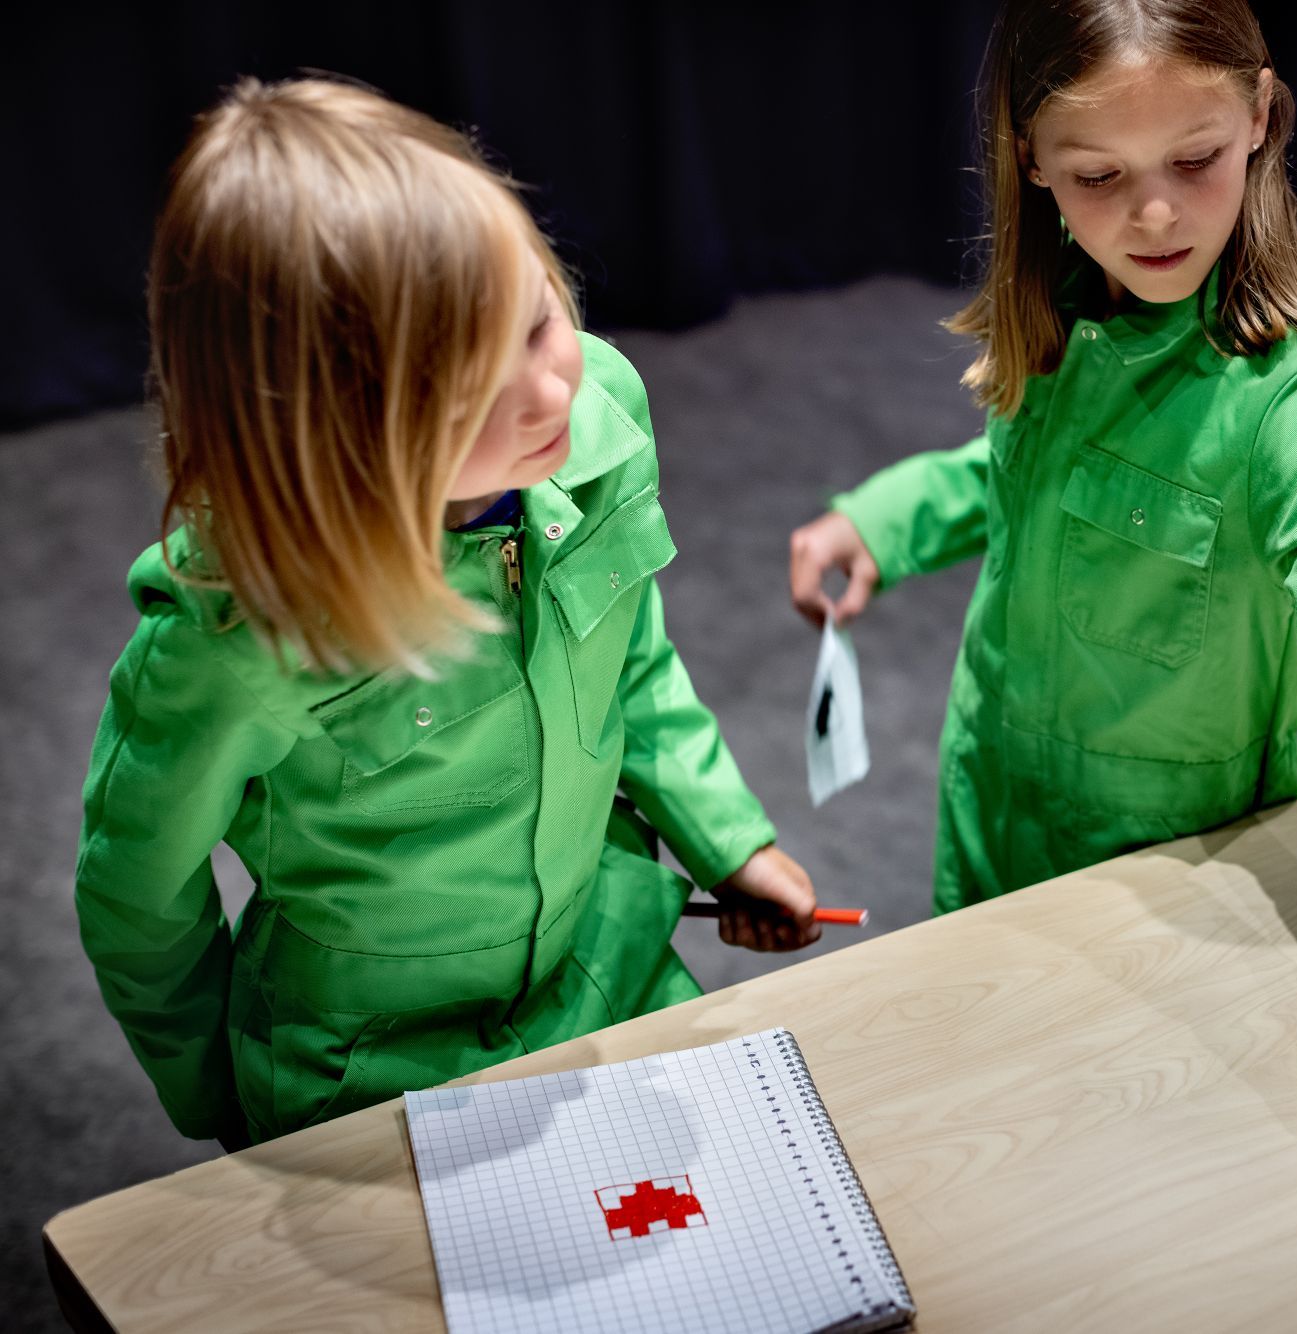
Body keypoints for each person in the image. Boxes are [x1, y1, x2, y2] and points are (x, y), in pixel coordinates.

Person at [788, 0, 1297, 1254]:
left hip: (1169, 880)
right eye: (1098, 177)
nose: (1156, 215)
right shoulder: (1074, 297)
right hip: (990, 821)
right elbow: (1034, 476)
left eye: (1195, 158)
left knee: (1132, 1216)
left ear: (1259, 118)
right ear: (1028, 159)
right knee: (976, 1163)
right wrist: (888, 518)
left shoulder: (1288, 394)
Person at [75, 77, 817, 1148]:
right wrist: (214, 1102)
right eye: (467, 395)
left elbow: (629, 653)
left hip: (601, 964)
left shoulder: (597, 417)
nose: (550, 394)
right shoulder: (234, 632)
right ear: (323, 432)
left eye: (537, 321)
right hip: (368, 1063)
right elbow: (137, 896)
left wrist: (724, 836)